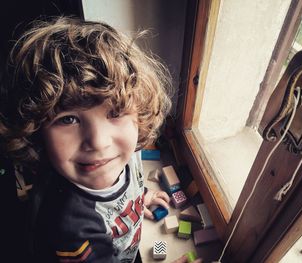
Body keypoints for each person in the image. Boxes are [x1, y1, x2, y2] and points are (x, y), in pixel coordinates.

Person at [0, 16, 200, 263]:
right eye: (68, 119)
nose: (98, 142)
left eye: (115, 112)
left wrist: (142, 197)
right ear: (36, 131)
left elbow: (127, 185)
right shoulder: (70, 228)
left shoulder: (125, 155)